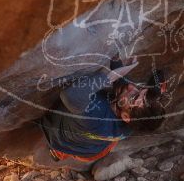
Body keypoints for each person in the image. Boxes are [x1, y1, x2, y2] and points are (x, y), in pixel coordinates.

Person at [39, 57, 167, 164]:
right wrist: (116, 59)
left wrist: (109, 77)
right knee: (110, 141)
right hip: (99, 148)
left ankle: (59, 152)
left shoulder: (95, 116)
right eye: (139, 89)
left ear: (125, 116)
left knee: (68, 143)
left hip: (76, 146)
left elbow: (70, 96)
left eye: (134, 96)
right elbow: (122, 84)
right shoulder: (134, 120)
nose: (131, 86)